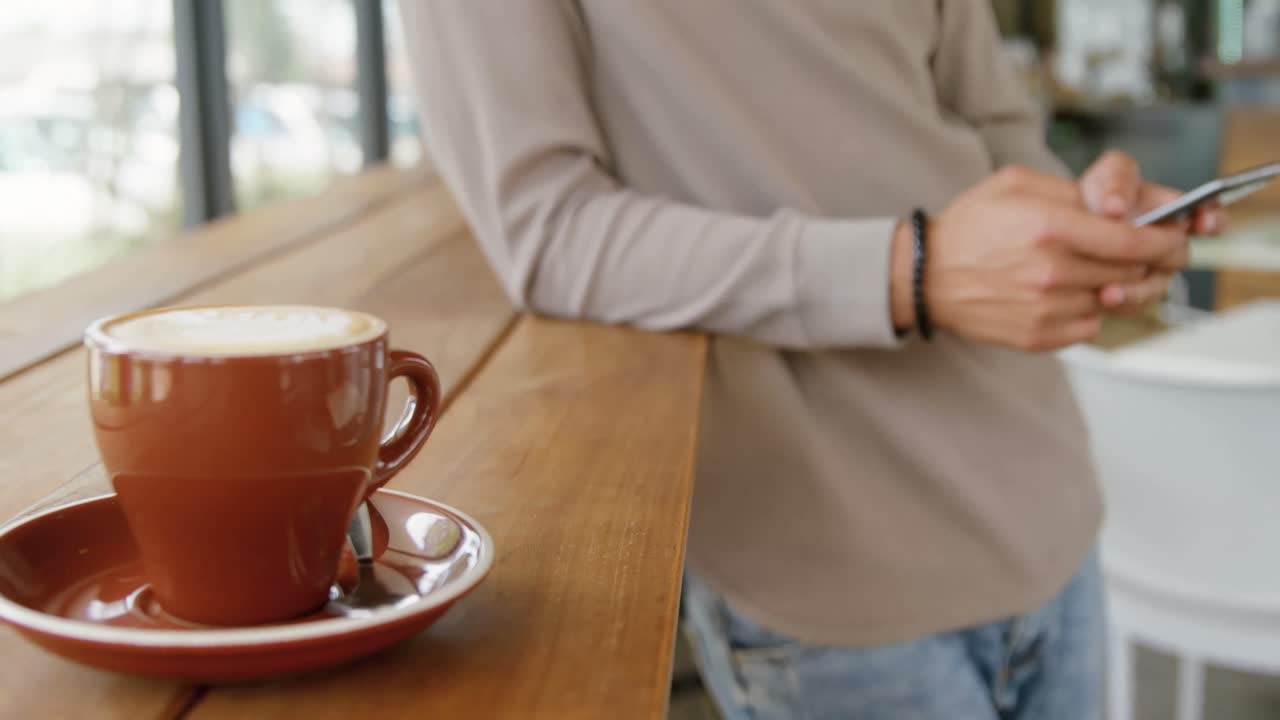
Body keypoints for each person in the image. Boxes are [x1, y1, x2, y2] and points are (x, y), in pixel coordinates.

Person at [398, 3, 1221, 718]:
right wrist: (912, 269)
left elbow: (996, 127)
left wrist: (1088, 221)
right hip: (830, 570)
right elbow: (551, 233)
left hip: (1050, 500)